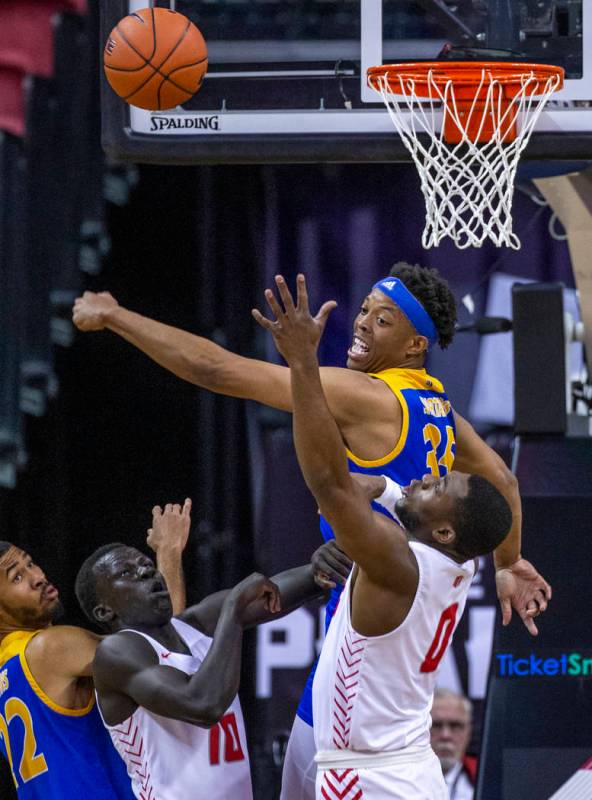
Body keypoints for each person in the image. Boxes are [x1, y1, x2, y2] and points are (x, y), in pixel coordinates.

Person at [72, 264, 550, 799]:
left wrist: (116, 316)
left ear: (416, 343)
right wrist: (508, 564)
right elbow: (505, 479)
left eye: (383, 318)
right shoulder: (438, 406)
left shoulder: (367, 396)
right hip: (402, 622)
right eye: (365, 309)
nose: (363, 323)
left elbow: (219, 371)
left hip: (371, 623)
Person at [254, 273, 513, 798]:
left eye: (440, 480)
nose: (426, 477)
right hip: (403, 758)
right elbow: (418, 489)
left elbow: (330, 482)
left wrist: (303, 364)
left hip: (369, 772)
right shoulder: (449, 555)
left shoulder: (395, 559)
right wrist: (508, 566)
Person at [76, 535, 339, 800]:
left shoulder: (196, 624)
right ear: (105, 611)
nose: (146, 571)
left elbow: (277, 592)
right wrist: (233, 609)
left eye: (145, 563)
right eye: (127, 572)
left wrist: (322, 567)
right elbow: (203, 705)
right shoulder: (116, 653)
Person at [0, 499, 190, 799]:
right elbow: (166, 648)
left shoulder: (7, 668)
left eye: (30, 563)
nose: (38, 577)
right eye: (17, 577)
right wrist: (169, 552)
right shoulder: (50, 648)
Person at [431, 688, 476, 800]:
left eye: (455, 726)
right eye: (436, 725)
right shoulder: (399, 780)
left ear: (468, 732)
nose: (446, 735)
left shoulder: (487, 777)